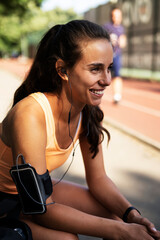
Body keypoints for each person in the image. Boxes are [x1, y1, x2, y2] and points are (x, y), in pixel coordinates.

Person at [0, 19, 159, 240]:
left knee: (117, 217)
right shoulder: (31, 113)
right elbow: (40, 209)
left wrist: (132, 215)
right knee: (68, 239)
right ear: (63, 70)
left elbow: (99, 179)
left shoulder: (88, 112)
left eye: (109, 68)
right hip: (5, 202)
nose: (107, 80)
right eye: (95, 69)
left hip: (32, 197)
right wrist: (121, 231)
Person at [104, 7, 126, 103]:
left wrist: (123, 42)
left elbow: (123, 41)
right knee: (102, 75)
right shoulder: (106, 27)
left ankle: (117, 95)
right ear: (111, 16)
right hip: (106, 56)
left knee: (117, 75)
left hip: (116, 55)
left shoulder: (121, 28)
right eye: (114, 15)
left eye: (118, 16)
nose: (116, 18)